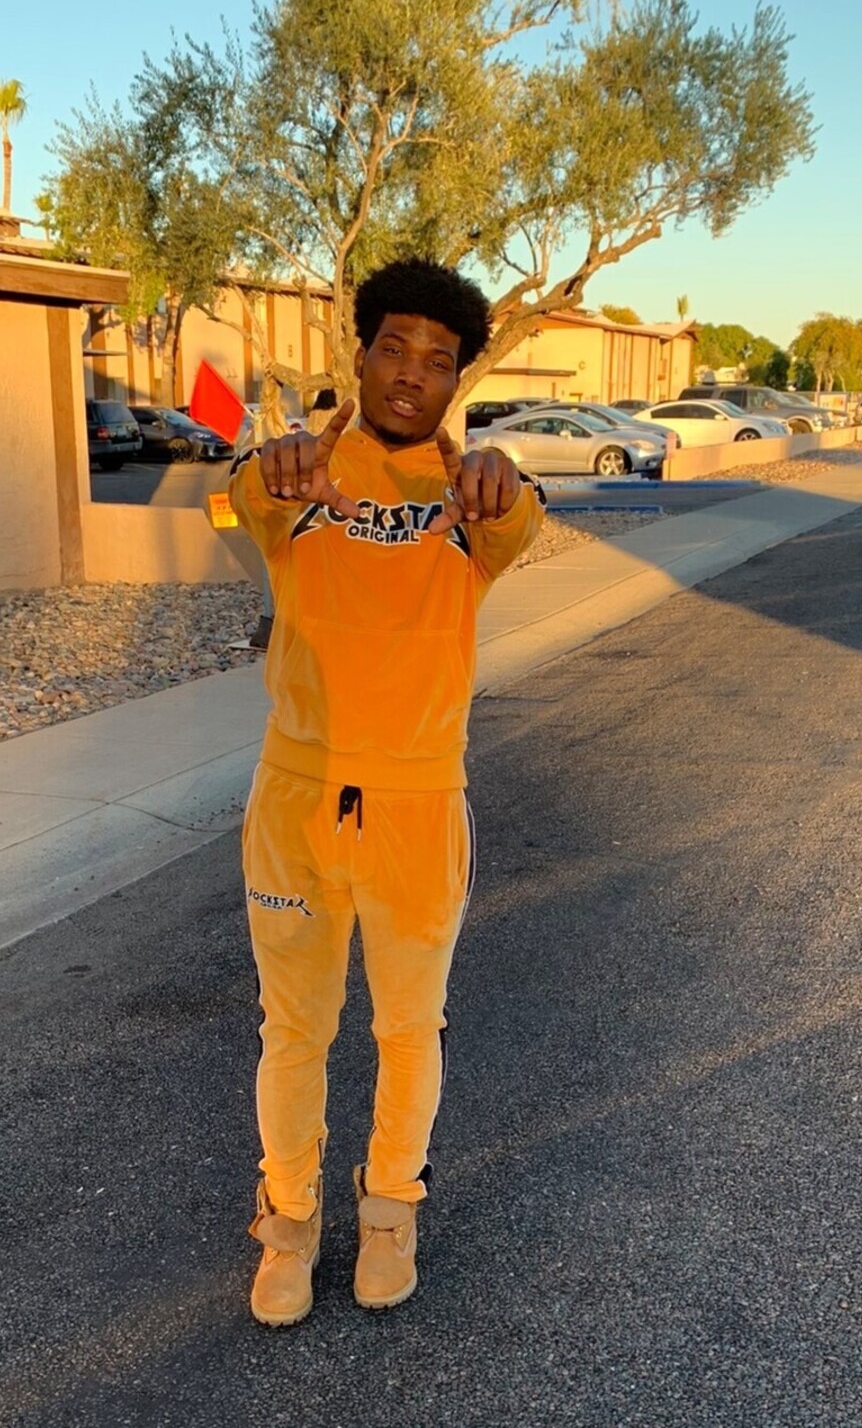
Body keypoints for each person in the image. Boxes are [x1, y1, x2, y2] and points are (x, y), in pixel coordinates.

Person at [228, 258, 545, 1327]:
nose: (413, 373)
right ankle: (288, 1220)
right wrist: (274, 463)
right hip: (297, 800)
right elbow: (246, 493)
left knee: (410, 1028)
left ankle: (390, 1210)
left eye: (438, 361)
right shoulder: (298, 478)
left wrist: (501, 477)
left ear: (457, 381)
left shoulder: (473, 498)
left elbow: (516, 512)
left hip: (418, 805)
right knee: (294, 1030)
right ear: (360, 356)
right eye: (395, 349)